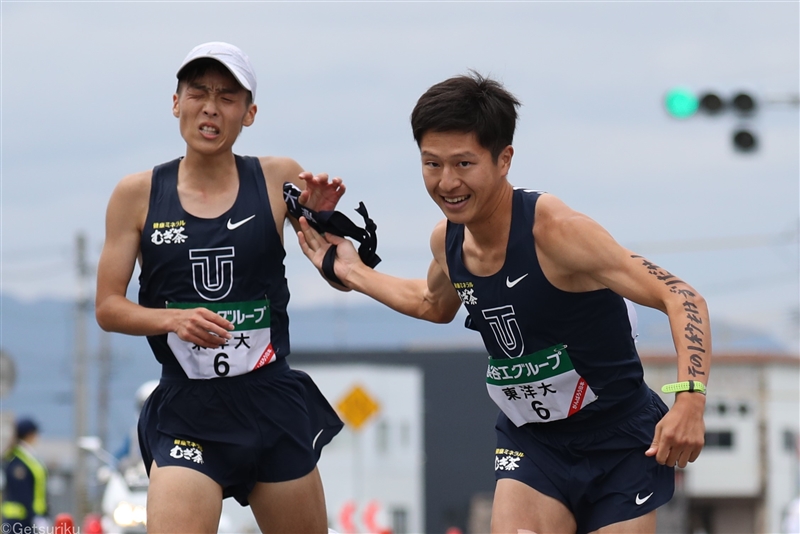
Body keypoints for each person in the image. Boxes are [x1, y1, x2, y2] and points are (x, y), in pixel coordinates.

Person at [298, 72, 710, 534]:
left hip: (620, 443)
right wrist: (349, 270)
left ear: (504, 160)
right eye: (431, 164)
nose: (447, 183)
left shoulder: (554, 231)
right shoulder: (449, 241)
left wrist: (690, 400)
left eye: (464, 164)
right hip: (534, 444)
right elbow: (432, 303)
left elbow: (682, 296)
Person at [95, 42, 345, 534]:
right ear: (176, 102)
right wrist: (171, 319)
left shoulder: (278, 177)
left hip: (270, 402)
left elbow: (338, 274)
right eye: (199, 92)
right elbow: (107, 307)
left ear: (249, 113)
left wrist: (328, 224)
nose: (211, 107)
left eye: (228, 97)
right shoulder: (136, 194)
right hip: (189, 410)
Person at [2, 417, 48, 530]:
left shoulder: (29, 457)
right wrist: (34, 517)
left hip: (29, 519)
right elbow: (22, 492)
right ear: (29, 435)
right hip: (18, 521)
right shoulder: (17, 462)